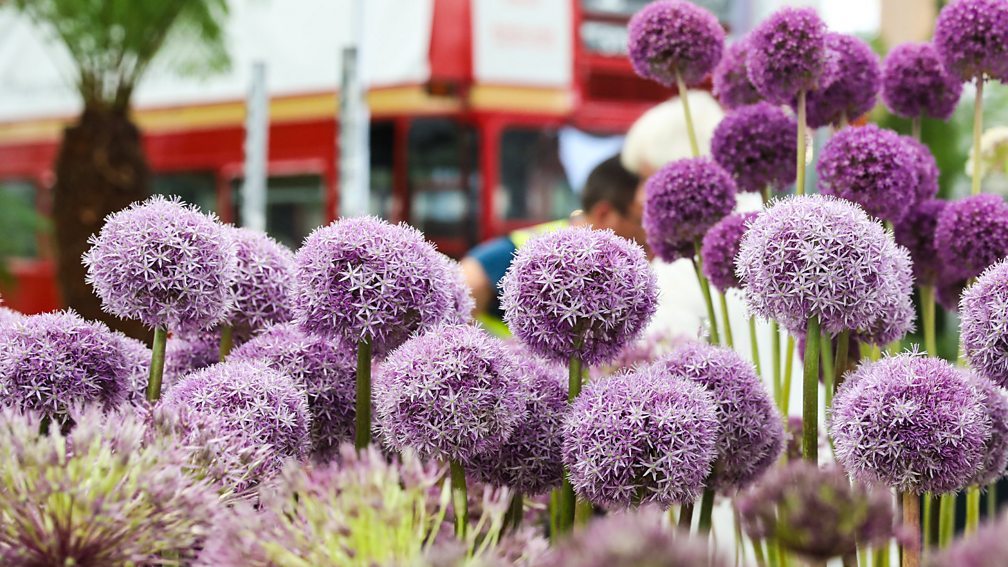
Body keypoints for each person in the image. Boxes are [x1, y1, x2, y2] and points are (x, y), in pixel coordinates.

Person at [460, 155, 647, 331]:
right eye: (642, 220)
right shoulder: (527, 251)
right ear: (603, 214)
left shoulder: (629, 266)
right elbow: (468, 281)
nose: (650, 232)